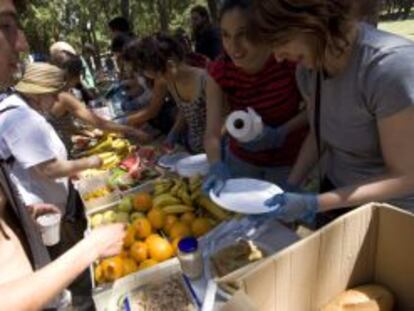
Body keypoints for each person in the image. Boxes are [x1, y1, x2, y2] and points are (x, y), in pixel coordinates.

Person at [0, 1, 125, 309]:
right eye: (4, 26)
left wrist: (19, 216)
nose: (22, 43)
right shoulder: (19, 118)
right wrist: (91, 247)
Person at [251, 0, 414, 225]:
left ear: (313, 19)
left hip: (393, 213)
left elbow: (406, 176)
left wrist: (315, 203)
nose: (278, 57)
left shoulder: (388, 69)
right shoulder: (308, 72)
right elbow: (319, 131)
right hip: (338, 198)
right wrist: (291, 184)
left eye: (281, 41)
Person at [203, 0, 307, 195]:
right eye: (226, 35)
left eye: (243, 34)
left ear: (262, 30)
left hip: (287, 162)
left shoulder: (287, 60)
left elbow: (314, 110)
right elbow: (212, 133)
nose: (234, 46)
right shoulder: (219, 71)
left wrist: (280, 133)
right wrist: (216, 165)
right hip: (241, 160)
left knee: (279, 222)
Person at [0, 62, 103, 213]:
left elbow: (39, 158)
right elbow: (49, 169)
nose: (57, 100)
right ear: (37, 93)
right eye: (54, 95)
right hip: (38, 212)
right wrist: (90, 161)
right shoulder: (21, 118)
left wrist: (69, 171)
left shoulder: (19, 109)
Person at [124, 34, 208, 154]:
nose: (159, 81)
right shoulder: (171, 81)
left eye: (159, 75)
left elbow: (219, 124)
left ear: (170, 65)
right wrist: (173, 133)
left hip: (213, 153)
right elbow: (184, 111)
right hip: (194, 149)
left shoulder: (205, 80)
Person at [49, 55, 149, 148]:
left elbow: (59, 122)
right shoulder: (65, 97)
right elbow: (100, 123)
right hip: (58, 148)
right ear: (79, 76)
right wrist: (132, 131)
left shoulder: (52, 90)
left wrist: (84, 132)